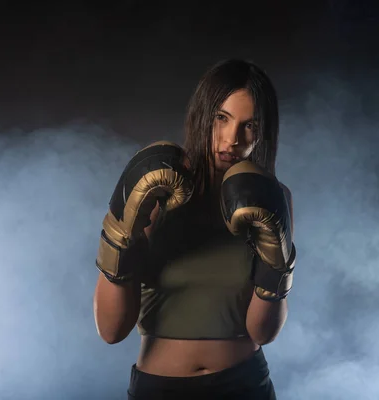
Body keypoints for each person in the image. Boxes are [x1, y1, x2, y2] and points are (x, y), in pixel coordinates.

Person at [93, 59, 296, 400]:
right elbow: (112, 331)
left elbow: (262, 331)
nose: (232, 139)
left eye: (249, 125)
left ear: (263, 132)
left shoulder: (273, 198)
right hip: (159, 389)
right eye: (222, 118)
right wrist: (118, 232)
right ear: (202, 114)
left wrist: (277, 269)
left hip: (244, 385)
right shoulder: (156, 190)